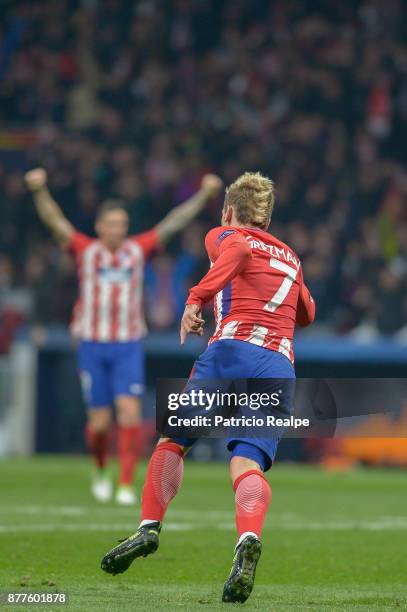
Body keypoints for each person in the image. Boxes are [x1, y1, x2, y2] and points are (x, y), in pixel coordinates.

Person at [100, 171, 315, 602]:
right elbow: (307, 310)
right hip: (277, 365)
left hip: (230, 352)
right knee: (246, 465)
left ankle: (148, 527)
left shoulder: (226, 233)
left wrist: (195, 298)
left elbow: (234, 251)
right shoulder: (291, 258)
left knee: (172, 440)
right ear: (267, 219)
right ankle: (247, 539)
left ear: (229, 210)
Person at [24, 168, 223, 505]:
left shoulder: (137, 250)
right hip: (91, 344)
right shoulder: (85, 250)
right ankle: (101, 469)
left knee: (130, 413)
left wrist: (204, 196)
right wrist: (39, 190)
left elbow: (172, 223)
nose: (117, 230)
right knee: (100, 423)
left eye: (122, 224)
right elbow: (55, 222)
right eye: (112, 224)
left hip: (128, 344)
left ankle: (127, 483)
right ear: (100, 227)